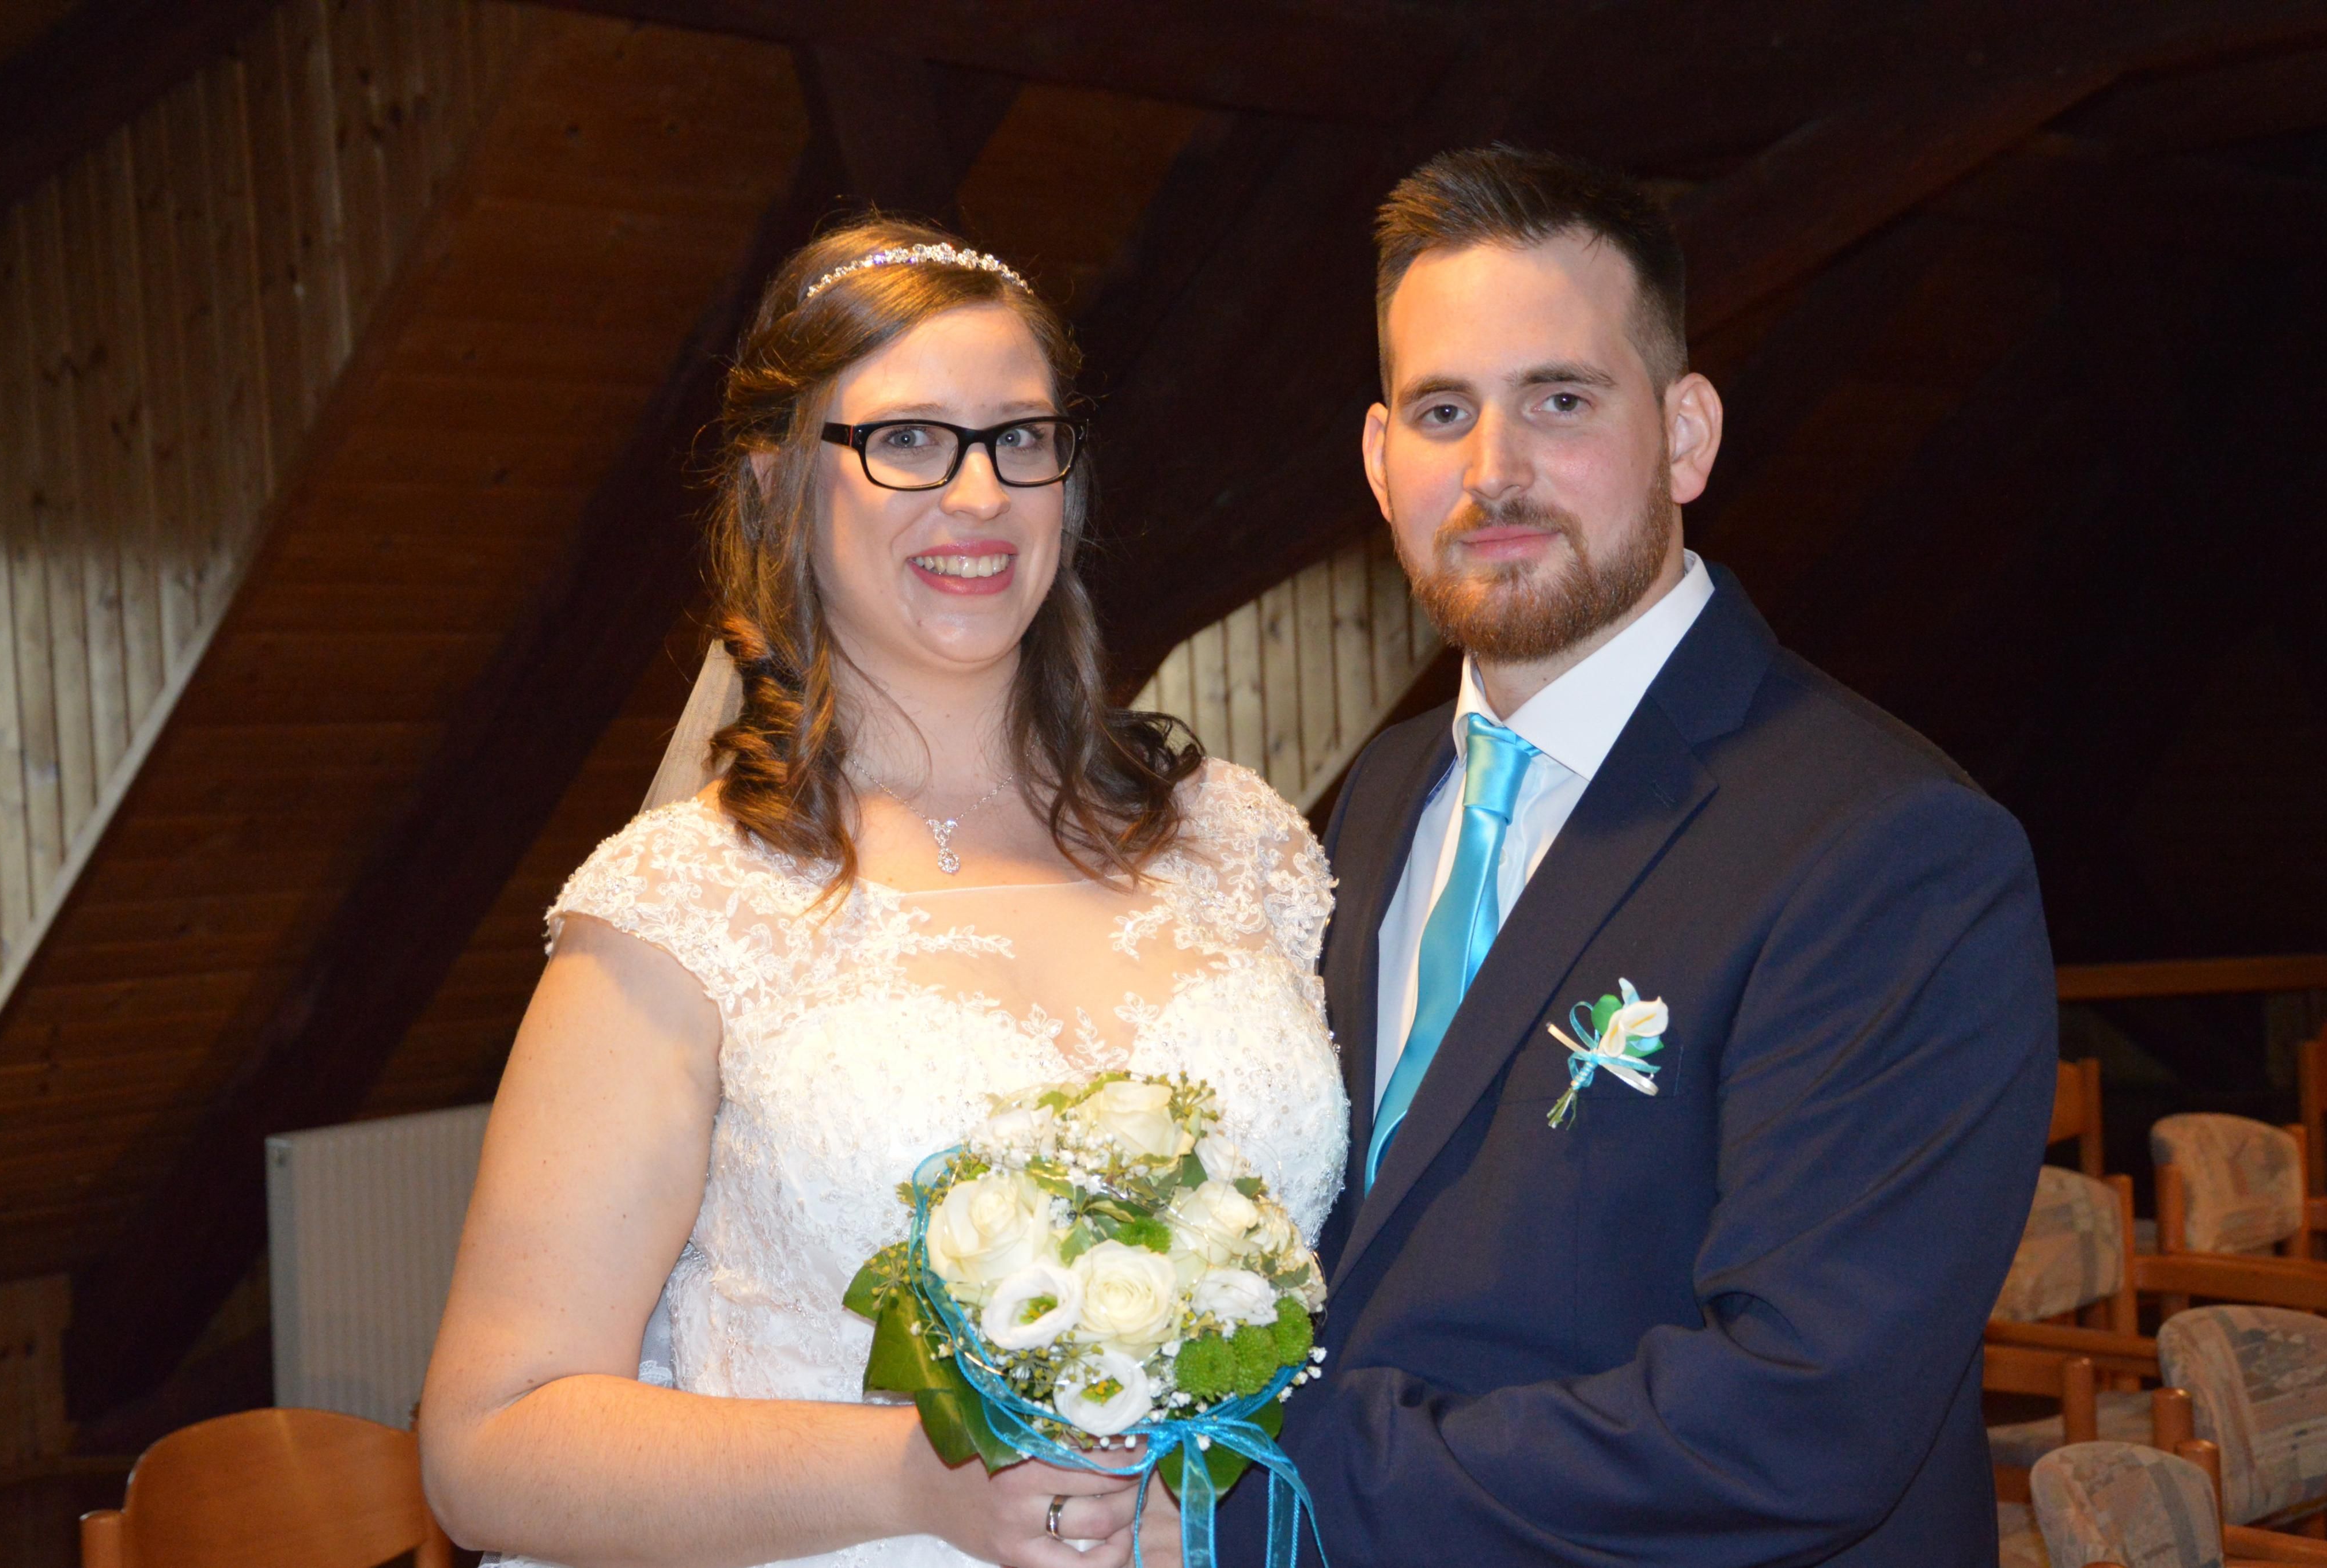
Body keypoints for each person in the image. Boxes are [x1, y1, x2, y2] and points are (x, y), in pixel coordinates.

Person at [419, 217, 1348, 1568]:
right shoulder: (682, 909)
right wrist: (916, 1480)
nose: (976, 497)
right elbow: (489, 1445)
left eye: (1019, 438)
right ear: (778, 486)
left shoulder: (1240, 846)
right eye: (906, 440)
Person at [1219, 147, 2056, 1565]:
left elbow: (1801, 1419)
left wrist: (1273, 1490)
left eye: (1559, 400)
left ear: (1683, 435)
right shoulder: (1382, 793)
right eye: (1441, 411)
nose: (1493, 472)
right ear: (1376, 460)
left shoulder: (1890, 845)